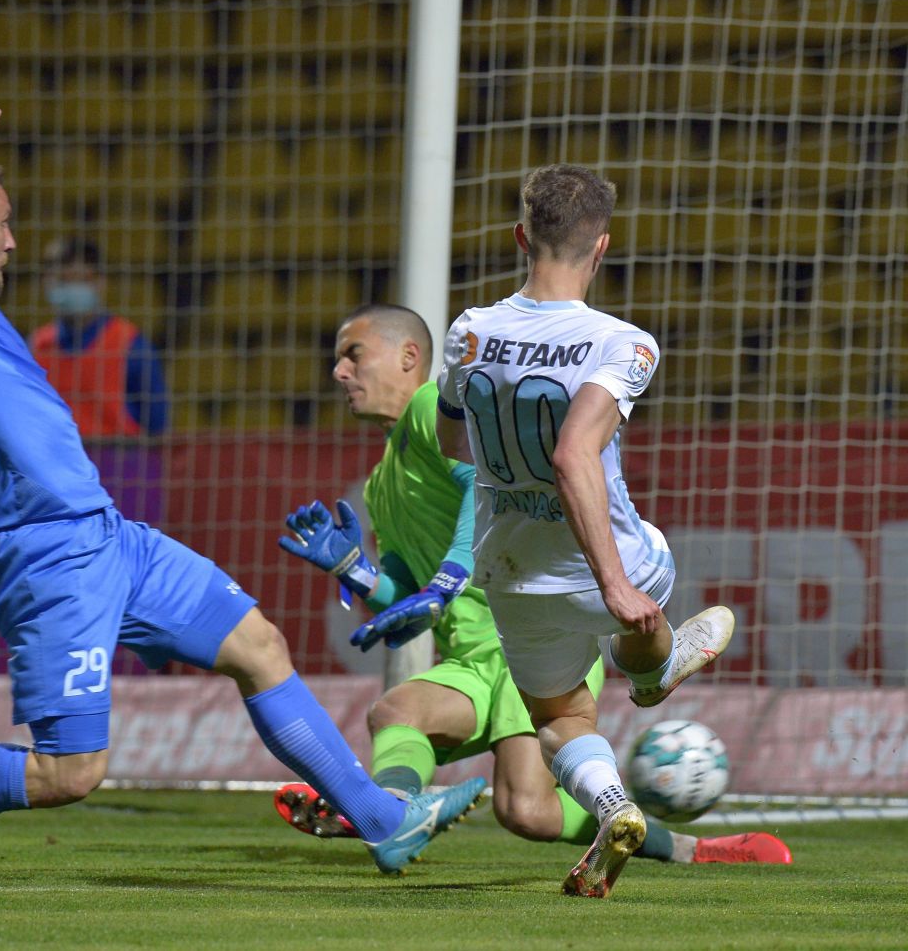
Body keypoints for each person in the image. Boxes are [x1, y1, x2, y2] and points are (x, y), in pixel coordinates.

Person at [0, 81, 485, 879]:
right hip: (50, 553)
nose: (12, 243)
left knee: (258, 646)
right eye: (4, 224)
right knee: (69, 773)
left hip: (108, 535)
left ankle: (383, 820)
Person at [275, 304, 791, 872]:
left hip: (521, 628)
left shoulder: (428, 409)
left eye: (353, 355)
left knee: (521, 802)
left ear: (408, 357)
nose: (340, 372)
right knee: (427, 735)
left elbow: (477, 485)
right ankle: (390, 812)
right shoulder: (380, 484)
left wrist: (447, 581)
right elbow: (406, 593)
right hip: (473, 658)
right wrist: (353, 569)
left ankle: (692, 846)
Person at [431, 163, 739, 898]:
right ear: (602, 245)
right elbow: (573, 453)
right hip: (608, 564)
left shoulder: (470, 332)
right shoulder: (622, 342)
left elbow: (449, 441)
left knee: (561, 716)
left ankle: (613, 807)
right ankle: (654, 671)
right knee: (651, 575)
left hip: (511, 571)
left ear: (520, 237)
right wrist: (613, 582)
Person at [28, 236, 168, 438]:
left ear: (101, 282)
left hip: (119, 457)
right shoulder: (36, 346)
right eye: (64, 280)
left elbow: (157, 426)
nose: (73, 288)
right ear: (47, 283)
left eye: (82, 280)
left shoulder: (131, 345)